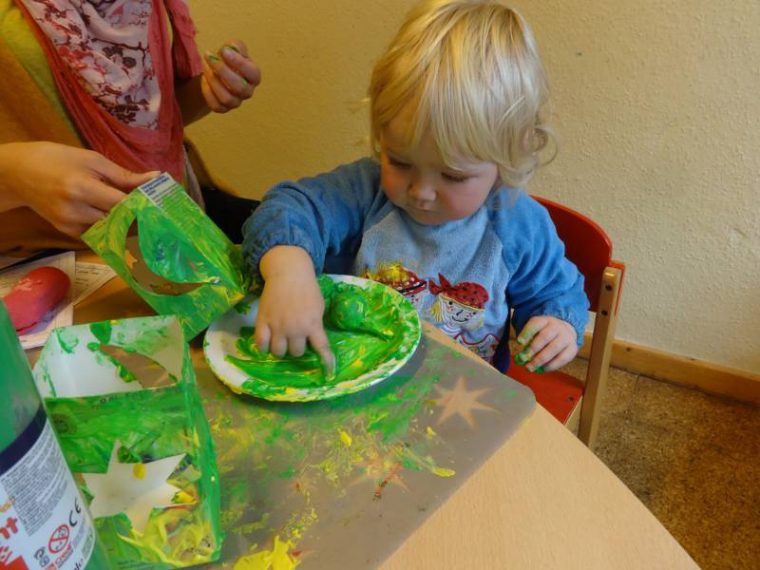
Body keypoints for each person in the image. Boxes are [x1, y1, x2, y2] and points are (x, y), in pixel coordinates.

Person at [241, 0, 589, 375]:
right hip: (362, 375)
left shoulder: (519, 227)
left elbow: (557, 293)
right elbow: (287, 209)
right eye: (400, 162)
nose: (421, 192)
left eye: (452, 176)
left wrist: (558, 325)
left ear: (505, 163)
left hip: (461, 388)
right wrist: (289, 272)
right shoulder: (365, 191)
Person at [0, 0, 261, 255]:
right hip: (45, 251)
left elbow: (150, 121)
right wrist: (13, 175)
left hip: (171, 218)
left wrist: (212, 88)